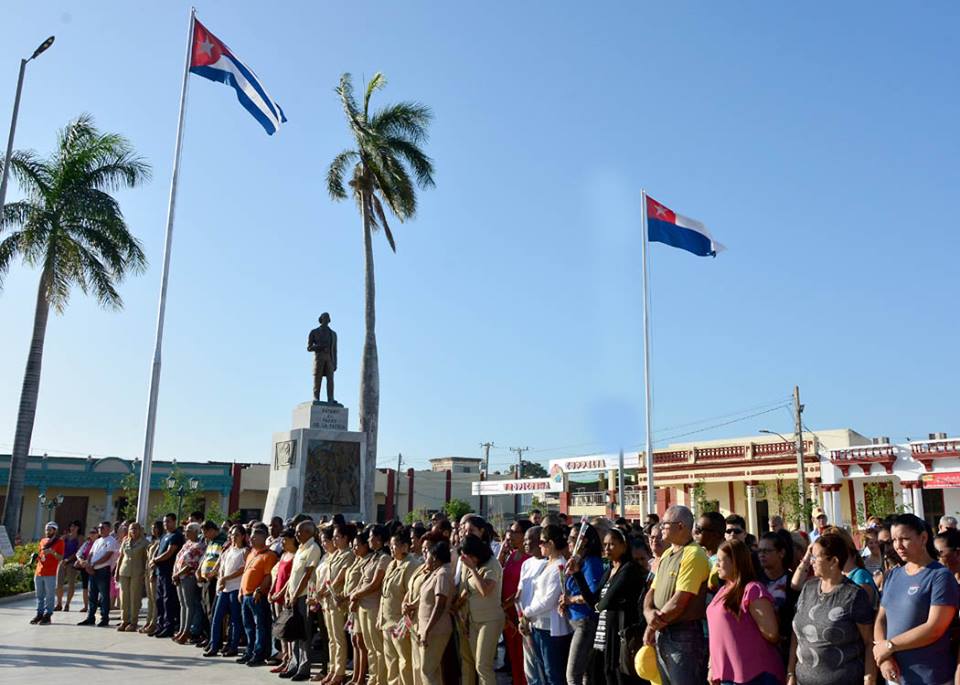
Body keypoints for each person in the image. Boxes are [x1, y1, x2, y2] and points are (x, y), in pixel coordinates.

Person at [873, 513, 959, 685]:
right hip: (896, 677)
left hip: (930, 677)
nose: (898, 546)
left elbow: (934, 628)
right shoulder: (893, 575)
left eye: (905, 539)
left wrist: (890, 646)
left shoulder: (940, 576)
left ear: (923, 538)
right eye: (894, 540)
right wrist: (884, 658)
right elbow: (881, 619)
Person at [787, 533, 875, 685]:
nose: (811, 562)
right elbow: (797, 635)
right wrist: (790, 674)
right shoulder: (808, 588)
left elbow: (869, 642)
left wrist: (869, 680)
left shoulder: (853, 595)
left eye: (815, 557)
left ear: (834, 561)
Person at [644, 505, 710, 685]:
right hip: (663, 632)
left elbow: (680, 601)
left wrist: (652, 625)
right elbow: (652, 591)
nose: (661, 527)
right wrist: (649, 613)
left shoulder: (694, 554)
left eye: (665, 523)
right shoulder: (666, 554)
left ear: (680, 526)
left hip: (683, 636)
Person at [572, 527, 645, 685]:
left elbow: (604, 603)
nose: (607, 548)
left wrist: (598, 605)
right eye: (605, 544)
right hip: (604, 635)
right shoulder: (610, 570)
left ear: (624, 546)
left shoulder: (629, 569)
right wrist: (577, 574)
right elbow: (594, 603)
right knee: (602, 675)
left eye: (612, 544)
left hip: (620, 635)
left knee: (618, 677)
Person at [707, 539, 784, 685]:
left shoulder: (752, 589)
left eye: (720, 560)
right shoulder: (722, 590)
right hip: (728, 675)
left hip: (756, 675)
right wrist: (712, 666)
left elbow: (772, 633)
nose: (716, 564)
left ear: (735, 562)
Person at [517, 524, 571, 685]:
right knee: (543, 672)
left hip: (550, 629)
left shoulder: (559, 566)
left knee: (553, 673)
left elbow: (549, 599)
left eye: (542, 542)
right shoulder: (547, 563)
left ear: (551, 543)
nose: (539, 545)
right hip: (538, 625)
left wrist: (526, 612)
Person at [456, 533, 505, 685]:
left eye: (469, 557)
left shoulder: (492, 564)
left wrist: (472, 569)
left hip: (490, 620)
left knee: (483, 665)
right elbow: (468, 590)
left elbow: (485, 591)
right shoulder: (472, 565)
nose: (467, 560)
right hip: (473, 620)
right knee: (475, 664)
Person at [561, 522, 603, 685]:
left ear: (583, 541)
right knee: (584, 673)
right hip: (575, 620)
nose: (568, 542)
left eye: (572, 538)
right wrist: (566, 601)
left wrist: (570, 600)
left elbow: (592, 595)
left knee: (573, 675)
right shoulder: (578, 561)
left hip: (585, 622)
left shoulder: (591, 562)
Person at [379, 527, 422, 685]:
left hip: (401, 622)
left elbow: (411, 593)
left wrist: (405, 621)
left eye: (395, 545)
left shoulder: (411, 565)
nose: (391, 548)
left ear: (405, 546)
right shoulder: (392, 564)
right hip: (387, 620)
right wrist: (380, 618)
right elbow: (385, 594)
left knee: (405, 661)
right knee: (391, 660)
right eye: (390, 545)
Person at [283, 520, 322, 681]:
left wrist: (295, 594)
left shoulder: (313, 548)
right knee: (295, 632)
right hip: (293, 595)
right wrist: (287, 593)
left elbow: (307, 575)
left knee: (304, 633)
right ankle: (294, 664)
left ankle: (304, 668)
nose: (297, 534)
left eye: (300, 531)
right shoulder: (300, 549)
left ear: (309, 532)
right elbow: (294, 575)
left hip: (303, 596)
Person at [352, 525, 391, 685]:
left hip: (374, 604)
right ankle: (373, 677)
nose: (370, 540)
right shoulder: (373, 557)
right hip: (363, 604)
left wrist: (356, 594)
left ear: (380, 539)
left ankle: (380, 679)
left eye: (373, 538)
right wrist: (355, 596)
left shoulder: (384, 558)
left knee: (377, 647)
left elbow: (375, 583)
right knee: (369, 646)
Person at [204, 525, 249, 658]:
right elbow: (220, 565)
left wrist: (226, 578)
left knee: (235, 619)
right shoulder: (228, 550)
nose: (233, 537)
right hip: (223, 589)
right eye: (232, 534)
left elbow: (242, 569)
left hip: (235, 588)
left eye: (236, 535)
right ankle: (214, 645)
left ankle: (233, 646)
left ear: (243, 536)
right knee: (216, 617)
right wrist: (215, 574)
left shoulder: (245, 551)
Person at [320, 523, 357, 685]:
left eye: (337, 537)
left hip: (337, 600)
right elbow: (328, 576)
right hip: (327, 601)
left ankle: (340, 672)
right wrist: (320, 592)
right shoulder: (335, 554)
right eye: (333, 536)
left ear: (346, 538)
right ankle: (333, 669)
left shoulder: (348, 554)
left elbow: (340, 577)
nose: (334, 539)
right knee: (331, 639)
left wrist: (326, 590)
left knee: (339, 638)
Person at [418, 541, 455, 685]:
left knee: (427, 670)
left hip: (435, 629)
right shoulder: (437, 572)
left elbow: (440, 604)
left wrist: (427, 630)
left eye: (428, 554)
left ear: (434, 557)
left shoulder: (443, 574)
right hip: (430, 627)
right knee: (432, 670)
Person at [757, 531, 798, 664]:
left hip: (786, 650)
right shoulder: (754, 581)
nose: (762, 555)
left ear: (781, 553)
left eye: (767, 551)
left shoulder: (793, 583)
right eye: (760, 551)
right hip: (759, 650)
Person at [239, 526, 277, 666]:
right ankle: (249, 652)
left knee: (260, 626)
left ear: (263, 538)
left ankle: (259, 654)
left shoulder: (269, 555)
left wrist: (260, 590)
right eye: (251, 536)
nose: (251, 539)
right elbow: (245, 573)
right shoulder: (251, 553)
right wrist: (240, 591)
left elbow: (268, 576)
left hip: (258, 596)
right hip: (245, 595)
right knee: (248, 626)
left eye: (255, 536)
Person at [517, 525, 547, 685]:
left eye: (529, 539)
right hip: (525, 622)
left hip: (541, 624)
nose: (525, 543)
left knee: (544, 669)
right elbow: (520, 593)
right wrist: (521, 617)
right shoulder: (526, 563)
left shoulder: (548, 564)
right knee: (530, 670)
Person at [78, 520, 119, 627]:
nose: (100, 529)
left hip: (103, 570)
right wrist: (88, 564)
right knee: (92, 595)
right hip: (92, 570)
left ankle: (104, 618)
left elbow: (107, 556)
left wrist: (93, 564)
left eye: (103, 528)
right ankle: (90, 617)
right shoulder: (97, 541)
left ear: (109, 529)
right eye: (99, 528)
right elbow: (91, 553)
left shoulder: (111, 541)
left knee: (104, 596)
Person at [270, 528, 298, 675]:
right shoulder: (284, 555)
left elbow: (290, 579)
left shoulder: (295, 556)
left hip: (285, 597)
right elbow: (277, 576)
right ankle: (284, 657)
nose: (282, 542)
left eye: (285, 539)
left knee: (288, 631)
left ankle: (290, 659)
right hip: (276, 597)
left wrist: (280, 593)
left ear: (292, 539)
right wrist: (271, 591)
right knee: (280, 630)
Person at [152, 513, 185, 638]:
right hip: (160, 572)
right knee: (159, 600)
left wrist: (155, 560)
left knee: (168, 601)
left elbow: (169, 552)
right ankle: (160, 625)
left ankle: (169, 626)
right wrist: (154, 561)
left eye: (169, 522)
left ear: (175, 522)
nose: (166, 524)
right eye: (165, 522)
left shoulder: (176, 536)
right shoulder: (165, 535)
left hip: (169, 572)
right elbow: (159, 549)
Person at [173, 521, 206, 643]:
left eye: (188, 530)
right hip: (179, 577)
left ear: (196, 532)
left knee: (189, 604)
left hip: (188, 577)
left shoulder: (199, 546)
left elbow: (191, 564)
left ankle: (187, 631)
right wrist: (174, 574)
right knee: (182, 604)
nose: (185, 532)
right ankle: (182, 630)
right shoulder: (187, 543)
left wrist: (178, 574)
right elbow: (178, 559)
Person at [196, 519, 227, 646]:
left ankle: (215, 639)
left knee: (213, 611)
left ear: (212, 530)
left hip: (214, 580)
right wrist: (199, 570)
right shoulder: (211, 541)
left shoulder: (223, 540)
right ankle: (208, 636)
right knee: (205, 609)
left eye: (205, 532)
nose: (204, 536)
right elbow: (206, 557)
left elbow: (222, 560)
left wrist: (213, 574)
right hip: (205, 579)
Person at [115, 521, 148, 632]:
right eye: (131, 529)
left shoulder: (144, 543)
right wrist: (116, 571)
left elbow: (146, 560)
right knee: (124, 597)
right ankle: (125, 620)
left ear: (140, 530)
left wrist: (145, 573)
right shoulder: (126, 541)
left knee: (135, 597)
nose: (133, 531)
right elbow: (121, 557)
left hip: (137, 572)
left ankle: (133, 622)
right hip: (124, 571)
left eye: (135, 528)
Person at [31, 522, 64, 625]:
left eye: (49, 530)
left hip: (51, 572)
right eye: (46, 529)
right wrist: (36, 557)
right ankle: (39, 614)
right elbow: (41, 556)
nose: (47, 531)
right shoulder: (42, 541)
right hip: (39, 571)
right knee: (39, 595)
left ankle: (48, 615)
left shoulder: (60, 542)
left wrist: (52, 552)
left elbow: (61, 558)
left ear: (55, 530)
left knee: (49, 595)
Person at [141, 520, 163, 634]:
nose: (153, 530)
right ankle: (148, 621)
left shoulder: (162, 541)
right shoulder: (153, 541)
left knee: (155, 599)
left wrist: (153, 573)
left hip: (154, 572)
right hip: (147, 571)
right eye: (152, 528)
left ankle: (154, 623)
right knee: (149, 599)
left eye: (155, 528)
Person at [55, 519, 81, 612]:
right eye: (71, 526)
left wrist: (68, 559)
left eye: (75, 526)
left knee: (71, 584)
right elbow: (58, 548)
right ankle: (59, 603)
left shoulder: (79, 538)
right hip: (62, 561)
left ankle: (67, 604)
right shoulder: (65, 537)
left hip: (72, 563)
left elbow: (78, 551)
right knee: (59, 584)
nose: (72, 528)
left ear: (78, 528)